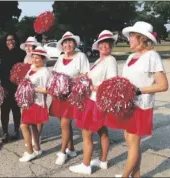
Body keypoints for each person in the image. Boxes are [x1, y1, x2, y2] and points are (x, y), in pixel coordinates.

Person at [105, 21, 168, 178]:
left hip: (141, 106)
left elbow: (163, 85)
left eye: (132, 36)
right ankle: (136, 175)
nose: (129, 39)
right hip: (128, 105)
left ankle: (126, 175)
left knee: (133, 142)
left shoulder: (152, 56)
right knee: (130, 141)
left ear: (142, 38)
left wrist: (138, 90)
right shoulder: (131, 56)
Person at [69, 30, 118, 174]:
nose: (104, 46)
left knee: (86, 132)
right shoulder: (99, 60)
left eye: (107, 44)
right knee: (102, 130)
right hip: (93, 99)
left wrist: (93, 86)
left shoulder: (110, 60)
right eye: (102, 43)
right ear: (98, 46)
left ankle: (85, 165)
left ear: (111, 46)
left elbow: (112, 83)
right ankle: (103, 161)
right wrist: (84, 77)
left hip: (97, 101)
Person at [50, 31, 90, 166]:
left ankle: (62, 152)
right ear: (62, 45)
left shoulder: (81, 56)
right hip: (60, 95)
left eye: (70, 42)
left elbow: (86, 75)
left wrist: (68, 80)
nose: (68, 45)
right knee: (64, 124)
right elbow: (55, 74)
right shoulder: (61, 58)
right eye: (65, 42)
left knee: (64, 124)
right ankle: (71, 149)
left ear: (75, 44)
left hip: (72, 95)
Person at [19, 46, 50, 162]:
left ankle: (30, 152)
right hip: (28, 101)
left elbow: (48, 90)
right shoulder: (32, 68)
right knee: (32, 126)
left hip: (37, 102)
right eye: (34, 57)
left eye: (38, 58)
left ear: (43, 59)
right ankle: (37, 148)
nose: (35, 59)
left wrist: (33, 89)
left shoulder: (45, 71)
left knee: (24, 125)